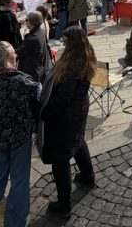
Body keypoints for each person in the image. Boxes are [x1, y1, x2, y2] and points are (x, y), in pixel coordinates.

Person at [0, 42, 42, 227]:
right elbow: (40, 96)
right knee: (19, 180)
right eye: (14, 54)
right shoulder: (21, 81)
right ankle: (16, 221)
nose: (16, 57)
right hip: (20, 137)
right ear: (7, 59)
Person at [40, 26, 96, 219]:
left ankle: (64, 205)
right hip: (79, 108)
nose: (63, 43)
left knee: (60, 158)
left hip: (68, 113)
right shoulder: (86, 54)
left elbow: (64, 97)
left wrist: (45, 112)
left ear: (71, 41)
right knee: (78, 141)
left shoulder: (73, 63)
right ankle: (88, 177)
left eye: (65, 40)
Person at [17, 9, 54, 84]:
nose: (25, 21)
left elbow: (19, 53)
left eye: (26, 19)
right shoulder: (41, 32)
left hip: (32, 72)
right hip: (40, 68)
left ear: (31, 22)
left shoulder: (32, 38)